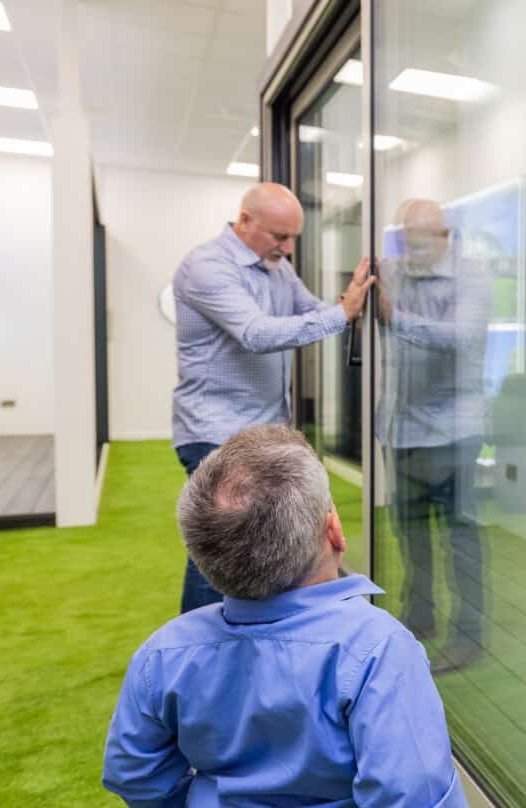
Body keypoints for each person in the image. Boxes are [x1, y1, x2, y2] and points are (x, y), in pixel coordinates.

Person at [102, 424, 467, 808]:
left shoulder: (163, 654)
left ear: (203, 557)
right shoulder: (377, 650)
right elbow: (417, 797)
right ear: (335, 532)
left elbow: (134, 774)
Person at [171, 182, 374, 613]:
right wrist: (342, 314)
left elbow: (311, 310)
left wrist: (348, 299)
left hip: (264, 432)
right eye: (279, 236)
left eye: (293, 237)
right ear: (244, 220)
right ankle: (201, 661)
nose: (287, 247)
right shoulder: (206, 266)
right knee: (222, 554)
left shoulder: (277, 266)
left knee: (263, 549)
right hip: (215, 432)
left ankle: (253, 652)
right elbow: (256, 332)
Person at [375, 198, 491, 672]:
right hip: (401, 428)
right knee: (409, 532)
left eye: (421, 241)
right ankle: (418, 618)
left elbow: (462, 337)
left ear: (444, 235)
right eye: (406, 240)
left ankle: (468, 638)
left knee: (458, 537)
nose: (412, 251)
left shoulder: (473, 274)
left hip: (453, 431)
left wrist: (395, 317)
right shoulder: (394, 269)